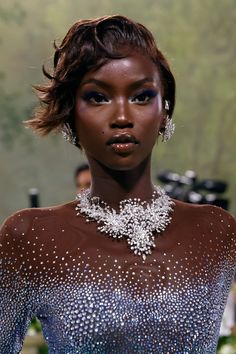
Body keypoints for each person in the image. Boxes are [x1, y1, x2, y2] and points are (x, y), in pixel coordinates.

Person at [0, 15, 235, 354]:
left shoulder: (217, 232)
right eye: (98, 97)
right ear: (70, 114)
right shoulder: (31, 238)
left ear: (164, 111)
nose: (122, 116)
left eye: (141, 96)